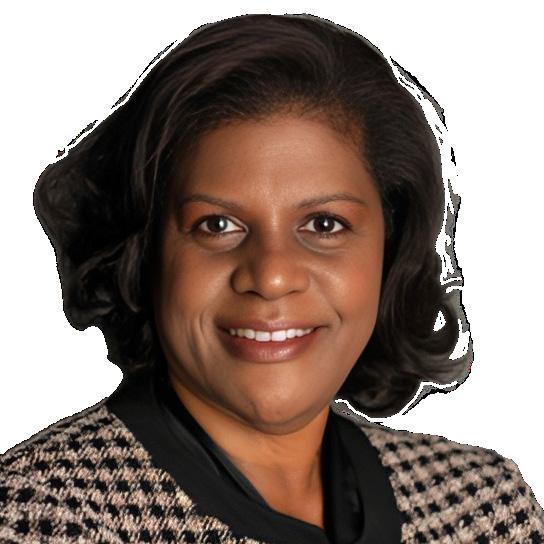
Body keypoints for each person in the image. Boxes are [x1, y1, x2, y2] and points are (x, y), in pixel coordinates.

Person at [1, 12, 542, 544]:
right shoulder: (42, 515)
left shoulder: (483, 507)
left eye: (324, 224)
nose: (273, 276)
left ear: (390, 246)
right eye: (217, 225)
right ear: (144, 251)